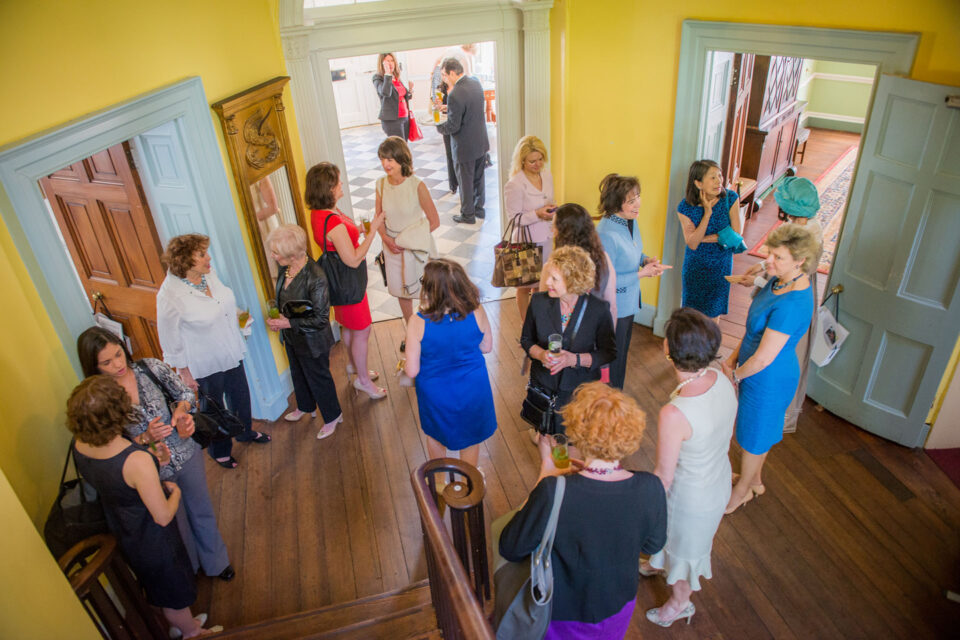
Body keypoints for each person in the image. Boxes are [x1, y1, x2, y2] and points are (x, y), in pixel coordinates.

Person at [499, 382, 667, 638]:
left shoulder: (554, 490)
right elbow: (652, 546)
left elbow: (510, 547)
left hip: (562, 610)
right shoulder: (651, 487)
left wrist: (544, 477)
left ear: (577, 432)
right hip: (618, 602)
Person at [67, 376, 222, 638]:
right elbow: (162, 516)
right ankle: (191, 630)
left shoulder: (80, 445)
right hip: (152, 536)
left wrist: (148, 453)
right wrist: (174, 492)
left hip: (121, 525)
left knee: (155, 584)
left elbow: (118, 478)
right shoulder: (136, 461)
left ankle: (180, 623)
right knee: (172, 589)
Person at [76, 327, 233, 583]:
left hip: (186, 452)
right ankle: (190, 570)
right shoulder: (100, 399)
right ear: (93, 366)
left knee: (201, 509)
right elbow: (109, 445)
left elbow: (184, 394)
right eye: (106, 362)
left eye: (118, 354)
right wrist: (145, 438)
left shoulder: (150, 367)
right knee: (176, 525)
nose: (118, 364)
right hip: (151, 471)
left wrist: (182, 412)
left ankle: (216, 562)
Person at [641, 308, 738, 627]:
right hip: (717, 480)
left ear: (668, 350)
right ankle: (658, 562)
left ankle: (680, 603)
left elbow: (663, 478)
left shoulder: (674, 413)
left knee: (683, 555)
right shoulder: (722, 377)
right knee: (674, 542)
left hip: (690, 500)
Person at [723, 223, 820, 514]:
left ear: (800, 261)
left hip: (768, 378)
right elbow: (754, 333)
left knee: (753, 438)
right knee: (757, 433)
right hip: (755, 366)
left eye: (778, 257)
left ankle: (741, 492)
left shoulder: (793, 304)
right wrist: (731, 359)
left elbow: (764, 358)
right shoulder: (779, 280)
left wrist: (735, 376)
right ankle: (755, 481)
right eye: (769, 253)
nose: (769, 260)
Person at [156, 234, 271, 469]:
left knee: (241, 396)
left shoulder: (209, 274)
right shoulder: (169, 295)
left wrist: (239, 314)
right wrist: (184, 373)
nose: (209, 258)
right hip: (204, 362)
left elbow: (222, 303)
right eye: (201, 254)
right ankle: (219, 450)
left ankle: (245, 432)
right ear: (185, 261)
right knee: (214, 408)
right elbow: (169, 338)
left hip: (229, 350)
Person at [730, 176, 823, 433]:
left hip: (784, 292)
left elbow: (781, 279)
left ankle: (780, 414)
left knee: (779, 345)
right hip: (778, 284)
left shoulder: (804, 243)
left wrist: (757, 279)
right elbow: (775, 265)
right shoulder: (799, 229)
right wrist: (759, 270)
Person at [306, 162, 387, 400]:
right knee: (362, 329)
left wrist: (360, 230)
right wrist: (373, 232)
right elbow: (352, 259)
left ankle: (354, 366)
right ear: (328, 188)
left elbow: (342, 238)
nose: (341, 184)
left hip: (338, 283)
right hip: (348, 283)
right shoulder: (331, 221)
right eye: (337, 182)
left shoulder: (321, 213)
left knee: (349, 326)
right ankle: (363, 381)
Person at [403, 259, 496, 466]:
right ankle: (470, 482)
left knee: (436, 436)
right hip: (473, 387)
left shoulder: (418, 322)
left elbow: (411, 370)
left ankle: (440, 482)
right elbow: (486, 347)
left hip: (436, 392)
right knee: (471, 439)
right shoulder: (476, 311)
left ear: (430, 290)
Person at [520, 246, 617, 435]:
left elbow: (609, 352)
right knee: (545, 437)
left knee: (573, 441)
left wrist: (574, 360)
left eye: (554, 279)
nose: (547, 281)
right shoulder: (539, 302)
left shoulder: (598, 310)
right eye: (549, 275)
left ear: (573, 282)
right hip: (544, 386)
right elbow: (526, 339)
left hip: (580, 390)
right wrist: (540, 354)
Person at [265, 224, 342, 440]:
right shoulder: (285, 269)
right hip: (292, 338)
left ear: (291, 255)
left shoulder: (316, 277)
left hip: (312, 340)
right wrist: (281, 321)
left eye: (276, 252)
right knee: (298, 374)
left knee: (319, 378)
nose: (272, 255)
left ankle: (333, 416)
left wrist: (287, 324)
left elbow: (320, 319)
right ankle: (306, 406)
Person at [596, 174, 670, 390]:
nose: (638, 204)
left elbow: (633, 252)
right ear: (615, 203)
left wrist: (645, 260)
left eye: (638, 197)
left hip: (628, 303)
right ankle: (609, 399)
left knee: (621, 354)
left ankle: (615, 396)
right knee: (613, 358)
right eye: (631, 200)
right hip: (614, 307)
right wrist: (642, 273)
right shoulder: (606, 234)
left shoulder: (630, 222)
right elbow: (604, 281)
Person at [375, 136, 440, 325]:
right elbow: (378, 218)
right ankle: (411, 328)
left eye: (390, 159)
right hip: (392, 248)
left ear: (401, 158)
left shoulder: (417, 185)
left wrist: (407, 240)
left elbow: (434, 221)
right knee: (402, 291)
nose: (385, 164)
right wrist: (386, 239)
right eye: (382, 159)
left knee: (425, 292)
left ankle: (428, 332)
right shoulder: (380, 184)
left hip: (416, 248)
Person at [676, 160, 742, 320]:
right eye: (713, 177)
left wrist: (702, 239)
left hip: (721, 265)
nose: (719, 181)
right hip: (696, 266)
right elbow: (692, 244)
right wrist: (707, 214)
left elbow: (735, 234)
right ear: (698, 183)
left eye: (720, 175)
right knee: (691, 315)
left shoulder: (730, 198)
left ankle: (710, 345)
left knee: (713, 315)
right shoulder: (685, 207)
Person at [504, 135, 556, 321]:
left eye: (540, 159)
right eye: (532, 161)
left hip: (547, 239)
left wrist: (552, 212)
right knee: (524, 287)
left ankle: (539, 322)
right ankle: (527, 325)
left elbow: (551, 200)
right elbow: (514, 219)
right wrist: (537, 214)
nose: (537, 164)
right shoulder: (515, 184)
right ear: (522, 161)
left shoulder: (547, 175)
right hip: (526, 242)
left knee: (541, 284)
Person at [436, 57, 490, 225]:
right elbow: (470, 108)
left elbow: (453, 126)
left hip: (464, 147)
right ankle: (479, 209)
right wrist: (448, 108)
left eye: (445, 75)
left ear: (452, 73)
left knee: (465, 181)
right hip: (480, 142)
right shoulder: (475, 82)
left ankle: (468, 214)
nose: (444, 78)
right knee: (478, 178)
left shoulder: (455, 93)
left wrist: (439, 127)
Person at [550, 203, 617, 323]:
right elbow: (611, 305)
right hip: (594, 328)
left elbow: (544, 308)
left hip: (561, 330)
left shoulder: (555, 264)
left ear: (564, 232)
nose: (552, 230)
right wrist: (609, 338)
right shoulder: (603, 258)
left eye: (554, 226)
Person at [372, 53, 412, 140]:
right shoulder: (378, 78)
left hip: (404, 116)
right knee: (398, 149)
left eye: (392, 60)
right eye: (387, 61)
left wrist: (410, 90)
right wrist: (387, 74)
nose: (390, 63)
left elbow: (402, 96)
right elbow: (386, 92)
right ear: (382, 64)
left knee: (404, 147)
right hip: (392, 120)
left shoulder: (396, 77)